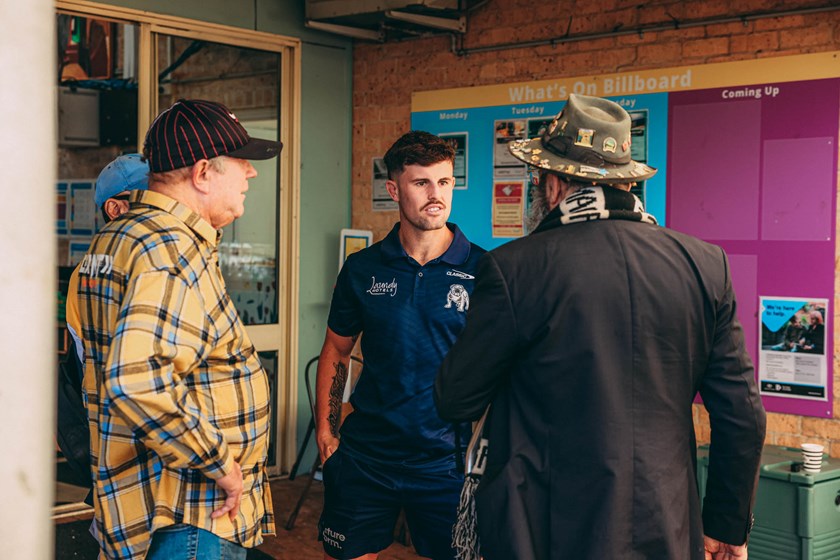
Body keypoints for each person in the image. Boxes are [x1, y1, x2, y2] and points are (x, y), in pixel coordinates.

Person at [435, 94, 767, 560]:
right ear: (625, 182)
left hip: (541, 528)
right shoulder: (705, 265)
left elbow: (457, 398)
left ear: (551, 184)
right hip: (665, 526)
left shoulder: (516, 268)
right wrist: (726, 527)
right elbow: (742, 416)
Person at [76, 99, 282, 560]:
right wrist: (222, 464)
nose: (251, 174)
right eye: (241, 163)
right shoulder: (171, 249)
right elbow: (136, 378)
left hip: (149, 508)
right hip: (188, 515)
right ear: (203, 172)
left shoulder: (121, 235)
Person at [315, 131, 486, 560]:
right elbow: (336, 349)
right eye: (421, 183)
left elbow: (499, 365)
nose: (436, 195)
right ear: (394, 189)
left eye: (444, 182)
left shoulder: (483, 270)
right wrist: (326, 431)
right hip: (367, 455)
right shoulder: (363, 269)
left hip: (447, 461)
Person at [58, 153, 150, 503]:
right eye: (147, 200)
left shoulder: (133, 263)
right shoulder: (98, 274)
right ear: (115, 209)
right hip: (128, 449)